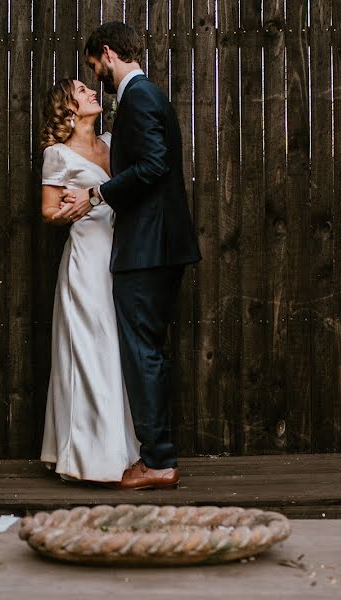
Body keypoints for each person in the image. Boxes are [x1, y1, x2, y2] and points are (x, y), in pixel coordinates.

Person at [59, 22, 201, 490]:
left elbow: (155, 164)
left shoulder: (138, 98)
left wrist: (98, 194)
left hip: (147, 248)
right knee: (150, 351)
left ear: (107, 54)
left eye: (94, 66)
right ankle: (158, 454)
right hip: (161, 244)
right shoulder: (149, 95)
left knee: (142, 353)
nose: (95, 74)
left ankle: (158, 461)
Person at [38, 78, 140, 484]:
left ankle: (117, 448)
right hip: (85, 259)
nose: (92, 93)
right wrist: (70, 211)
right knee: (89, 348)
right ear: (68, 109)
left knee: (114, 347)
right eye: (82, 92)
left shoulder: (113, 143)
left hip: (120, 254)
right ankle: (86, 456)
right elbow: (47, 211)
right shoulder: (57, 154)